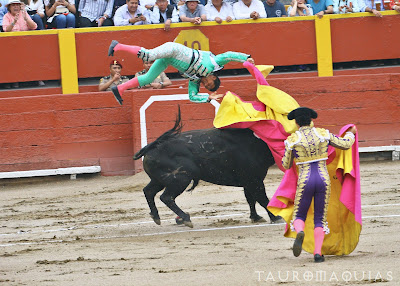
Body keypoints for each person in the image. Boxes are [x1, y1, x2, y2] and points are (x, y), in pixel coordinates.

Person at [281, 107, 356, 262]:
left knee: (299, 214)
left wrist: (292, 152)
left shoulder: (292, 140)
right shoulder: (323, 134)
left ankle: (300, 231)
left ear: (296, 123)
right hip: (323, 178)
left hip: (305, 179)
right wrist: (351, 132)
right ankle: (317, 253)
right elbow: (346, 144)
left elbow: (286, 165)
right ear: (311, 120)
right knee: (320, 218)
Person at [107, 40, 255, 104]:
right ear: (213, 77)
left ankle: (119, 88)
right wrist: (246, 58)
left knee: (147, 78)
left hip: (168, 60)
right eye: (209, 83)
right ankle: (117, 45)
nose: (205, 84)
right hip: (175, 50)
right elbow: (228, 55)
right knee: (149, 55)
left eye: (207, 87)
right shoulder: (213, 63)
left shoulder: (194, 80)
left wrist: (207, 98)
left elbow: (192, 96)